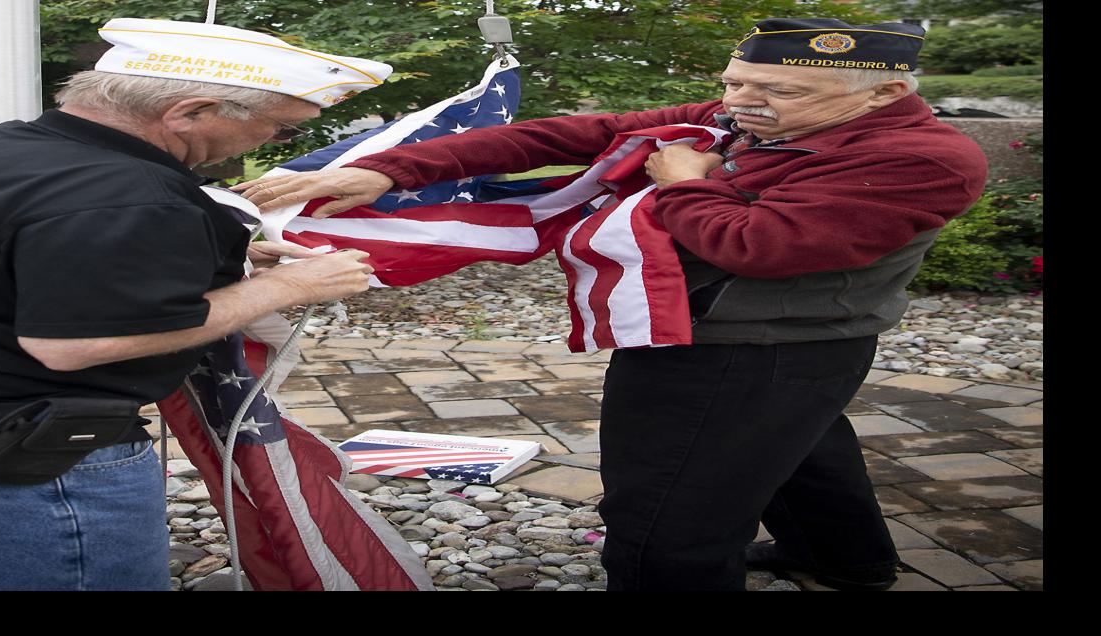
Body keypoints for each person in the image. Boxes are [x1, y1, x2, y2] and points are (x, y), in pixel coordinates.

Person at [232, 18, 989, 590]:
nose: (737, 103)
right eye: (732, 83)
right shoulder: (765, 114)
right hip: (766, 336)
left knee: (666, 512)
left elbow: (762, 247)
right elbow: (574, 134)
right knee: (801, 450)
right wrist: (393, 172)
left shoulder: (918, 158)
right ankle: (841, 561)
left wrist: (682, 179)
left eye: (776, 91)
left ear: (885, 92)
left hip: (745, 342)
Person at [0, 18, 392, 591]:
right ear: (190, 112)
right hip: (23, 474)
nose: (274, 144)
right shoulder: (127, 192)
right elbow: (79, 342)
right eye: (279, 129)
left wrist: (227, 265)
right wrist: (290, 288)